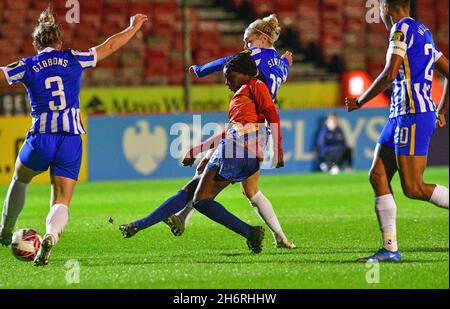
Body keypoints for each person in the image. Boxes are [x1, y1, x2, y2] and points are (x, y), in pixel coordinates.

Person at [120, 15, 296, 249]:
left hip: (244, 137)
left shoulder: (250, 77)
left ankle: (248, 232)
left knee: (200, 191)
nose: (245, 46)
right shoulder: (279, 68)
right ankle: (281, 238)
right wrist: (286, 62)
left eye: (248, 41)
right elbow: (277, 80)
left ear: (263, 39)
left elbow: (228, 60)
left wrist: (201, 70)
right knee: (250, 192)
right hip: (255, 132)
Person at [0, 8, 148, 266]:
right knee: (61, 199)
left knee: (20, 178)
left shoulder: (26, 65)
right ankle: (50, 236)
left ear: (35, 44)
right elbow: (110, 46)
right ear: (60, 42)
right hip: (70, 139)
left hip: (41, 137)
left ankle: (4, 231)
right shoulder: (73, 58)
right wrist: (133, 28)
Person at [345, 0, 449, 262]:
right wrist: (441, 110)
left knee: (413, 187)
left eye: (380, 7)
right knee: (378, 175)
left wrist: (360, 101)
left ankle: (391, 250)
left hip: (411, 116)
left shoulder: (400, 30)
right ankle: (390, 249)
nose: (378, 12)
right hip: (400, 115)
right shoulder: (423, 30)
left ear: (387, 9)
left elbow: (390, 74)